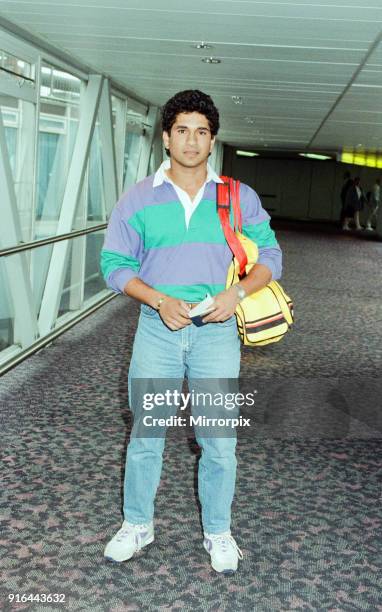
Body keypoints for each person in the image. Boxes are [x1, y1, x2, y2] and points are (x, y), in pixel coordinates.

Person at [100, 90, 282, 574]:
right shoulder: (138, 198)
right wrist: (159, 299)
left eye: (201, 131)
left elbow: (271, 257)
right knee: (146, 432)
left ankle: (218, 531)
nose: (191, 140)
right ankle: (138, 523)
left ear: (212, 140)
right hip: (157, 331)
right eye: (182, 130)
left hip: (216, 334)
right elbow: (115, 264)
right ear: (166, 137)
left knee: (220, 439)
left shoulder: (237, 196)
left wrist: (236, 295)